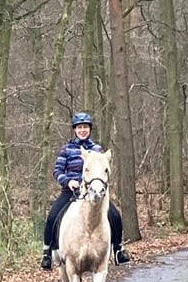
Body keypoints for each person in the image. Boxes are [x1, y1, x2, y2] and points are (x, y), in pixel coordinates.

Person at [40, 111, 130, 270]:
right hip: (71, 191)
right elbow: (57, 171)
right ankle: (47, 251)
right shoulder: (67, 149)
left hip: (93, 191)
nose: (83, 130)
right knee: (53, 215)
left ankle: (118, 249)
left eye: (85, 127)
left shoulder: (97, 150)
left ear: (89, 129)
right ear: (75, 130)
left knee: (114, 215)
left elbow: (104, 170)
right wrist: (68, 181)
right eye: (80, 127)